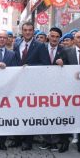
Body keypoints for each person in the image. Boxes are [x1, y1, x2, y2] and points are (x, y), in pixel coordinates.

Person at [10, 22, 50, 151]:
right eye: (25, 30)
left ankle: (28, 141)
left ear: (33, 31)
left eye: (30, 30)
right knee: (16, 112)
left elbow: (46, 65)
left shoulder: (40, 46)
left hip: (33, 85)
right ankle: (17, 139)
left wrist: (32, 68)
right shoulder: (16, 45)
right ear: (22, 31)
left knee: (30, 113)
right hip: (17, 84)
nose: (27, 32)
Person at [39, 27, 64, 151]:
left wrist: (63, 64)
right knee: (44, 113)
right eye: (52, 36)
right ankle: (46, 140)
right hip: (43, 86)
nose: (54, 39)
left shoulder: (64, 50)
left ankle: (54, 141)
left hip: (57, 88)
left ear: (60, 39)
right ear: (48, 36)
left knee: (55, 114)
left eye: (57, 37)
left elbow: (71, 67)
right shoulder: (40, 48)